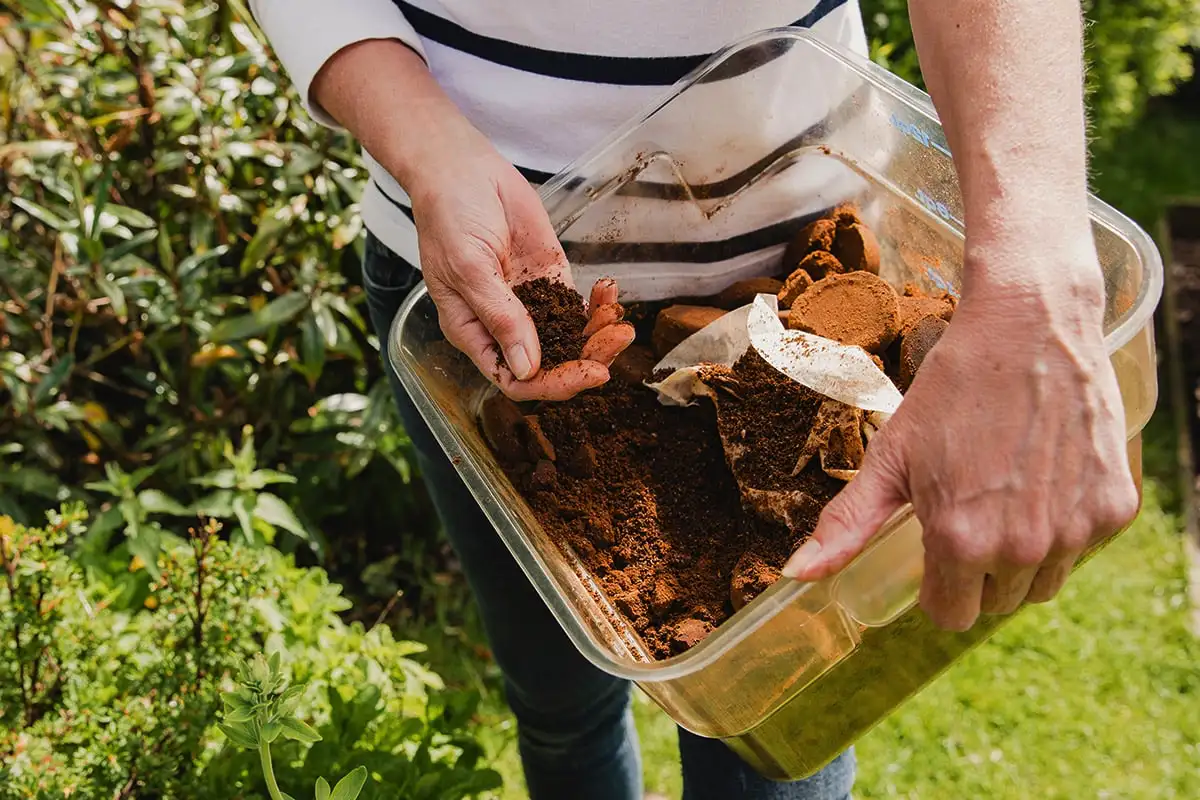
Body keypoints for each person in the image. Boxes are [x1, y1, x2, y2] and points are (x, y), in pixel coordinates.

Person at [248, 1, 1140, 798]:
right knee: (560, 699)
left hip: (804, 269)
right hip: (479, 294)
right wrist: (424, 142)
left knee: (779, 739)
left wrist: (1034, 284)